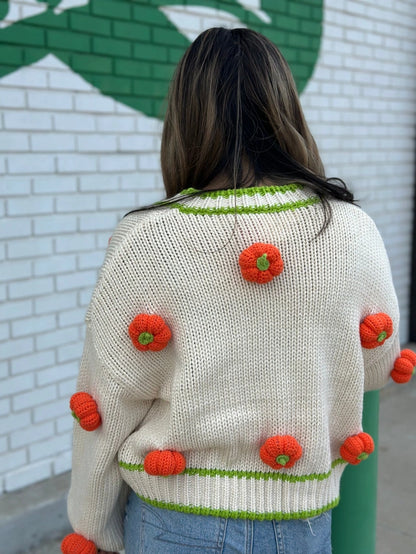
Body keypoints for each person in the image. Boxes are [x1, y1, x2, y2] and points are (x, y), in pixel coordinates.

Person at [62, 27, 406, 554]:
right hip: (302, 521)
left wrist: (93, 524)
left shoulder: (149, 238)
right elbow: (377, 365)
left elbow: (108, 403)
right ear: (285, 107)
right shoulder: (349, 228)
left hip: (171, 519)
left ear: (185, 117)